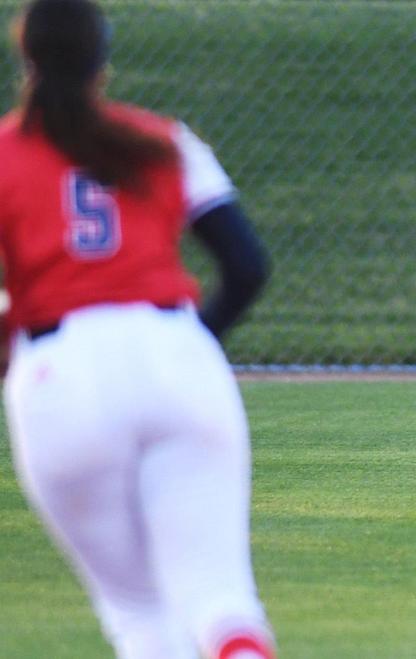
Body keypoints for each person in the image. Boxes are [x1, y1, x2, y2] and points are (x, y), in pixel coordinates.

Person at [0, 1, 275, 657]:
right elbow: (246, 266)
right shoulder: (164, 141)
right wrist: (192, 345)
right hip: (176, 355)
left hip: (60, 372)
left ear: (26, 58)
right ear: (103, 61)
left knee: (140, 614)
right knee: (220, 601)